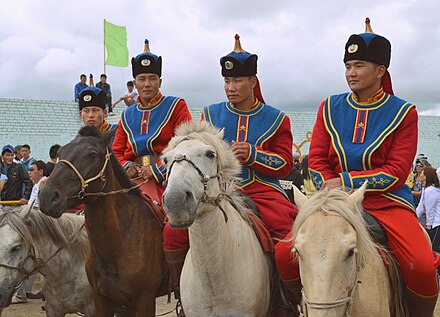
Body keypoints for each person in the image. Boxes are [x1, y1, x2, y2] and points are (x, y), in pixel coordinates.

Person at [276, 18, 438, 316]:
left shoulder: (404, 113)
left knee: (423, 267)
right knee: (284, 253)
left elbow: (396, 171)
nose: (351, 72)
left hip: (387, 204)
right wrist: (330, 187)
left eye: (359, 65)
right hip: (333, 203)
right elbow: (317, 159)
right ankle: (296, 306)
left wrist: (346, 180)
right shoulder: (329, 106)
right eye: (348, 65)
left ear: (380, 71)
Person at [200, 34, 298, 316]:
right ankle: (186, 295)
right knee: (174, 233)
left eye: (237, 81)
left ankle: (286, 298)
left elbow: (285, 165)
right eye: (227, 82)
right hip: (218, 191)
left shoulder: (277, 118)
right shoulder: (210, 113)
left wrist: (253, 154)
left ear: (253, 82)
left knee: (286, 235)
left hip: (263, 190)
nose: (230, 88)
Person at [112, 40, 192, 316]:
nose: (147, 83)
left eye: (152, 78)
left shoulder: (176, 105)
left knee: (180, 225)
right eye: (142, 78)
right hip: (133, 179)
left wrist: (156, 170)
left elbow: (185, 142)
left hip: (168, 176)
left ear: (160, 80)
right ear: (135, 81)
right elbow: (116, 150)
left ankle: (182, 286)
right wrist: (126, 166)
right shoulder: (127, 114)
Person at [12, 160, 48, 303]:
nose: (29, 172)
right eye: (29, 170)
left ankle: (22, 294)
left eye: (32, 170)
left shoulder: (44, 184)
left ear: (41, 172)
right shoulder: (36, 186)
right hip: (35, 226)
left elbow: (40, 209)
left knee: (30, 259)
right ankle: (25, 292)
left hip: (39, 228)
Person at [416, 167, 440, 257]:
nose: (420, 175)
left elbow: (430, 211)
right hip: (434, 224)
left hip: (437, 224)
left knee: (433, 250)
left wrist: (429, 226)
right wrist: (413, 218)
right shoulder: (426, 189)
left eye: (422, 173)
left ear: (426, 176)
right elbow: (421, 207)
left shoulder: (431, 191)